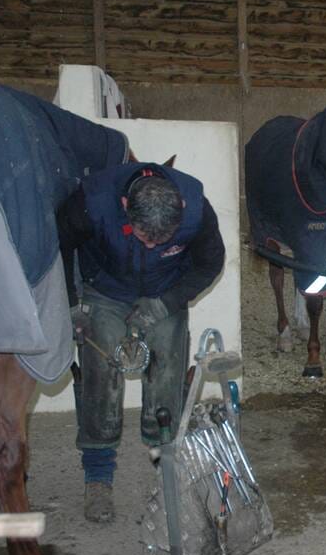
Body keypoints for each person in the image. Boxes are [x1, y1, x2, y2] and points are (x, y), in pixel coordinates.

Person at [57, 162, 225, 522]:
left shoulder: (195, 209)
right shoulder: (92, 201)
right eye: (144, 237)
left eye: (160, 241)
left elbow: (211, 263)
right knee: (100, 375)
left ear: (179, 208)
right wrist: (72, 305)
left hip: (165, 291)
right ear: (123, 204)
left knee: (166, 373)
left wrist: (166, 304)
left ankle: (165, 467)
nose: (150, 244)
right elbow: (60, 245)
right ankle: (98, 478)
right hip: (105, 289)